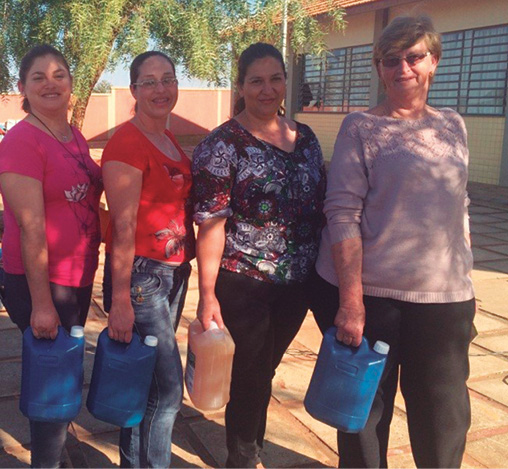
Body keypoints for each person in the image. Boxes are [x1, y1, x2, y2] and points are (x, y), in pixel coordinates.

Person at [309, 15, 475, 468]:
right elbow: (342, 213)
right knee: (364, 415)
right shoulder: (361, 127)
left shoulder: (453, 125)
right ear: (379, 68)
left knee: (443, 418)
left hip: (443, 301)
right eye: (390, 60)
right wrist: (351, 304)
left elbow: (459, 203)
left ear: (434, 61)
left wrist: (464, 277)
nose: (403, 68)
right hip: (375, 299)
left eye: (414, 56)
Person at [192, 43, 326, 468]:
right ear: (241, 86)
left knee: (265, 370)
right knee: (249, 374)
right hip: (243, 281)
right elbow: (211, 225)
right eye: (256, 81)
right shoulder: (222, 145)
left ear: (286, 82)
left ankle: (252, 442)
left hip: (298, 282)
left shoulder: (306, 139)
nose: (267, 90)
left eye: (275, 79)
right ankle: (243, 456)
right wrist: (207, 295)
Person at [0, 44, 102, 468]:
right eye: (38, 77)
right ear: (23, 87)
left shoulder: (71, 134)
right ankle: (47, 461)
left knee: (62, 374)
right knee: (51, 381)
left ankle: (56, 450)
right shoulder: (22, 144)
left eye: (59, 75)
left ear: (72, 84)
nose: (50, 84)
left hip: (74, 276)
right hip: (42, 284)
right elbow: (31, 229)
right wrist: (41, 305)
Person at [102, 50, 195, 468]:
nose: (161, 89)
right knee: (168, 391)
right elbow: (122, 226)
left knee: (146, 385)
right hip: (142, 278)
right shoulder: (127, 142)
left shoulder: (168, 138)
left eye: (168, 79)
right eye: (150, 82)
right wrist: (120, 299)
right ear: (134, 90)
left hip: (173, 273)